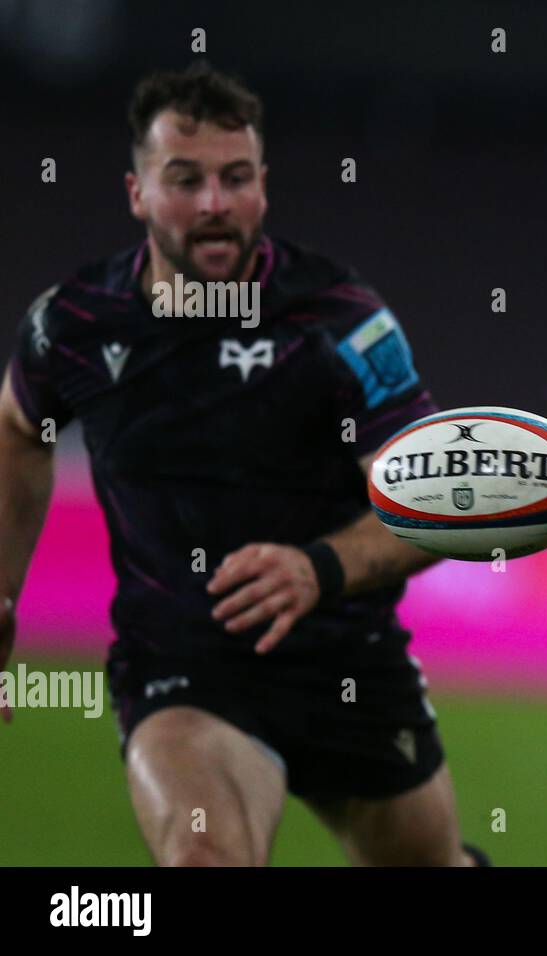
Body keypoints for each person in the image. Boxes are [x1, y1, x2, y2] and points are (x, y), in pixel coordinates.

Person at [0, 62, 486, 866]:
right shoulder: (74, 324)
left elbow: (437, 502)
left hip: (347, 662)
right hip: (183, 670)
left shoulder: (340, 319)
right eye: (185, 180)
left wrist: (318, 569)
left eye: (235, 178)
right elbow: (19, 428)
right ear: (137, 193)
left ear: (263, 186)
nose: (214, 204)